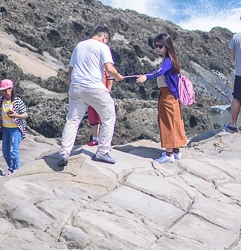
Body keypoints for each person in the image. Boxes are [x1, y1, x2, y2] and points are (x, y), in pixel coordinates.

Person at [59, 26, 125, 165]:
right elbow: (109, 68)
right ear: (104, 38)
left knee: (72, 121)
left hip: (76, 87)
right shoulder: (102, 47)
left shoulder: (79, 45)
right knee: (108, 117)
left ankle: (64, 153)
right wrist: (118, 77)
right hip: (94, 87)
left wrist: (72, 84)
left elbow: (70, 68)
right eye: (106, 41)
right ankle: (102, 152)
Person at [136, 33, 188, 163]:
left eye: (160, 46)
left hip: (167, 96)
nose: (157, 49)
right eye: (156, 46)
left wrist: (146, 77)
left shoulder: (168, 61)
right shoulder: (171, 59)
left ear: (167, 46)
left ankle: (169, 154)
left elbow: (160, 72)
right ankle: (176, 151)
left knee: (167, 123)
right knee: (174, 122)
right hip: (172, 96)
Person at [0, 79, 29, 175]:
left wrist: (16, 115)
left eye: (6, 90)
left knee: (14, 152)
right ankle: (11, 168)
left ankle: (17, 171)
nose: (4, 92)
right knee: (5, 152)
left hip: (15, 129)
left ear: (11, 89)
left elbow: (25, 115)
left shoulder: (17, 101)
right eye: (3, 90)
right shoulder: (2, 100)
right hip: (5, 128)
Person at [85, 69, 114, 147]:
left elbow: (110, 76)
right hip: (91, 92)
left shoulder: (105, 62)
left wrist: (108, 90)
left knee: (105, 118)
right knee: (92, 116)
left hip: (102, 92)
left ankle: (104, 141)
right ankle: (95, 138)